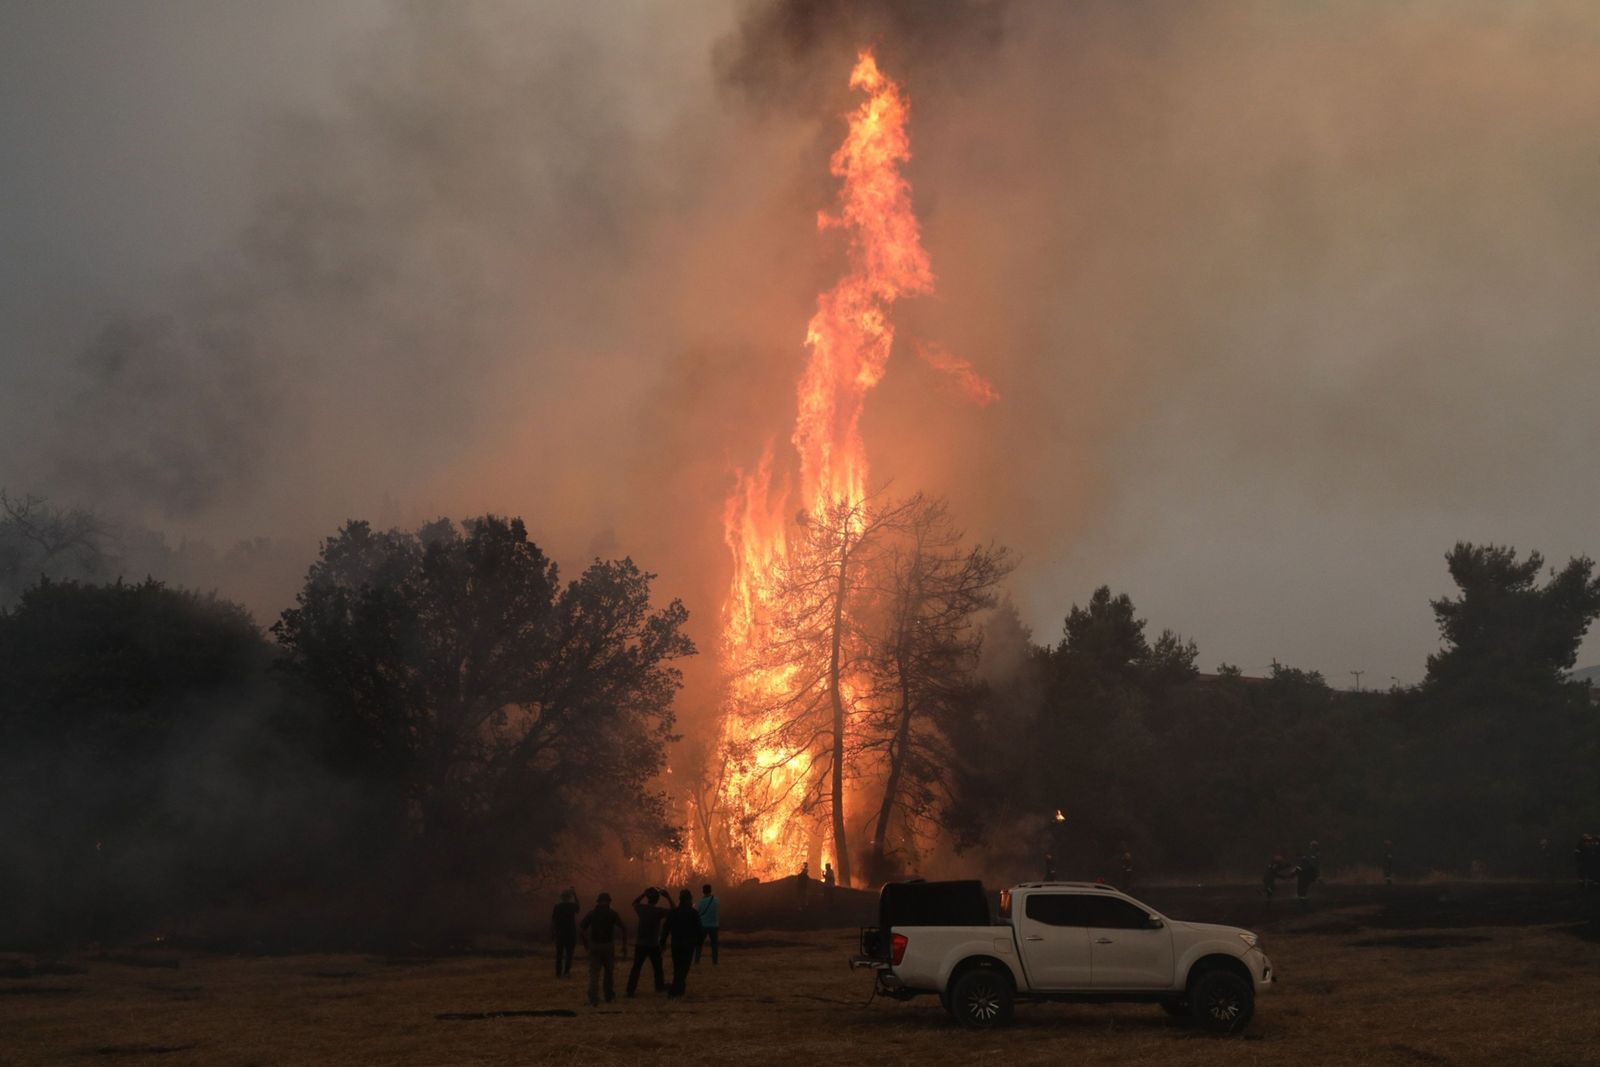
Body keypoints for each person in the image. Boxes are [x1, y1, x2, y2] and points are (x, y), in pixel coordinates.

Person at [579, 892, 628, 1007]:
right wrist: (624, 945)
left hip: (594, 945)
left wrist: (586, 943)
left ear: (598, 901)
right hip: (608, 946)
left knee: (594, 974)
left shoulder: (592, 914)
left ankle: (593, 999)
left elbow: (581, 929)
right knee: (609, 973)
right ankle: (609, 997)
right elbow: (623, 928)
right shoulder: (612, 914)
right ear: (609, 902)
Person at [626, 887, 670, 996]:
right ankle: (659, 986)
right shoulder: (658, 911)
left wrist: (643, 894)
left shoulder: (642, 909)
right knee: (658, 968)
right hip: (653, 944)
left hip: (640, 943)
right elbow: (674, 911)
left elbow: (634, 903)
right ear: (657, 900)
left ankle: (630, 990)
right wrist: (668, 897)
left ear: (648, 899)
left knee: (636, 968)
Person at [663, 888, 703, 997]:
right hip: (688, 945)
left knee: (677, 967)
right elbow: (699, 929)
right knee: (683, 968)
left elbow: (666, 928)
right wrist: (699, 943)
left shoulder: (673, 912)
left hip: (675, 944)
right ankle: (674, 991)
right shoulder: (693, 913)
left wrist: (662, 942)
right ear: (688, 900)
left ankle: (680, 990)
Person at [551, 887, 579, 977]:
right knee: (569, 954)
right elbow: (578, 907)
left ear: (562, 897)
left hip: (560, 933)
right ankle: (566, 972)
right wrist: (575, 894)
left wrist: (554, 933)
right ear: (569, 897)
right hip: (571, 934)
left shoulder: (557, 907)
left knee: (559, 954)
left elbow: (553, 920)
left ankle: (558, 973)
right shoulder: (572, 906)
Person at [695, 884, 720, 965]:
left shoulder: (701, 902)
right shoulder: (716, 900)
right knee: (714, 944)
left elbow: (698, 913)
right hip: (714, 925)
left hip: (703, 925)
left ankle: (697, 960)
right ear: (711, 890)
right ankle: (715, 961)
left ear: (703, 891)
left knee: (699, 944)